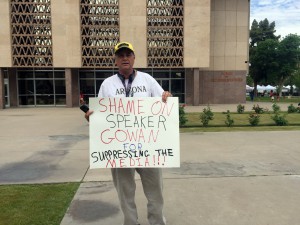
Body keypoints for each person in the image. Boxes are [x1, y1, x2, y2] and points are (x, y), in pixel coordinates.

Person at [84, 41, 172, 225]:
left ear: (133, 58)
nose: (124, 58)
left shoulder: (147, 80)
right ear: (115, 60)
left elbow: (163, 101)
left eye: (128, 54)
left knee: (155, 190)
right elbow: (100, 114)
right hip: (119, 149)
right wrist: (92, 117)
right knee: (125, 192)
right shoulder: (107, 84)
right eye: (120, 55)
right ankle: (131, 222)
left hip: (149, 148)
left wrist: (167, 98)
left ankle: (157, 222)